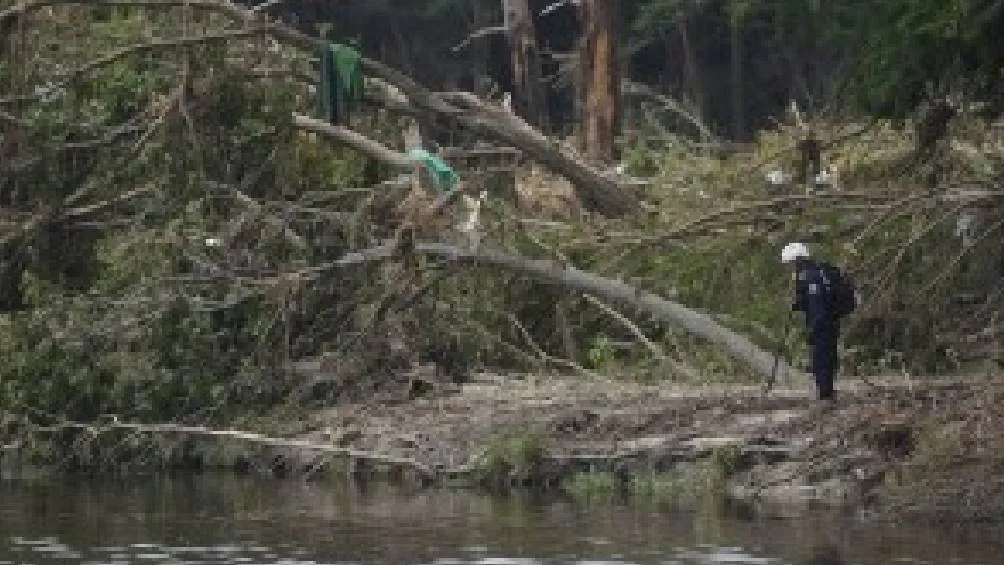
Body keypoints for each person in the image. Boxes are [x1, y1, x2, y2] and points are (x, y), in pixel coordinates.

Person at [780, 242, 840, 400]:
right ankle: (826, 391)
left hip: (823, 323)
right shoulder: (812, 274)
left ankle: (825, 394)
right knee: (825, 356)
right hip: (828, 320)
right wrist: (794, 304)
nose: (789, 268)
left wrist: (814, 328)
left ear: (797, 260)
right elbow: (806, 301)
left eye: (789, 264)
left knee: (822, 357)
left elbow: (816, 305)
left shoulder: (811, 277)